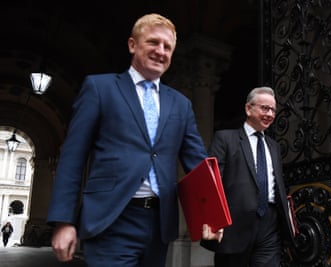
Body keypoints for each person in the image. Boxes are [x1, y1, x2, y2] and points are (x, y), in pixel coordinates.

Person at [47, 13, 222, 267]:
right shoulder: (100, 88)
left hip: (159, 224)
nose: (160, 51)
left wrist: (214, 216)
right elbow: (73, 157)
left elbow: (198, 162)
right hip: (110, 219)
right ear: (132, 45)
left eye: (168, 47)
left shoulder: (181, 104)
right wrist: (64, 221)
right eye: (153, 42)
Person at [201, 87, 295, 267]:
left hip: (270, 224)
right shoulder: (225, 138)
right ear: (248, 109)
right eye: (264, 108)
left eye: (273, 110)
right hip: (234, 225)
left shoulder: (274, 146)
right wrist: (213, 218)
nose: (269, 114)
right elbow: (212, 180)